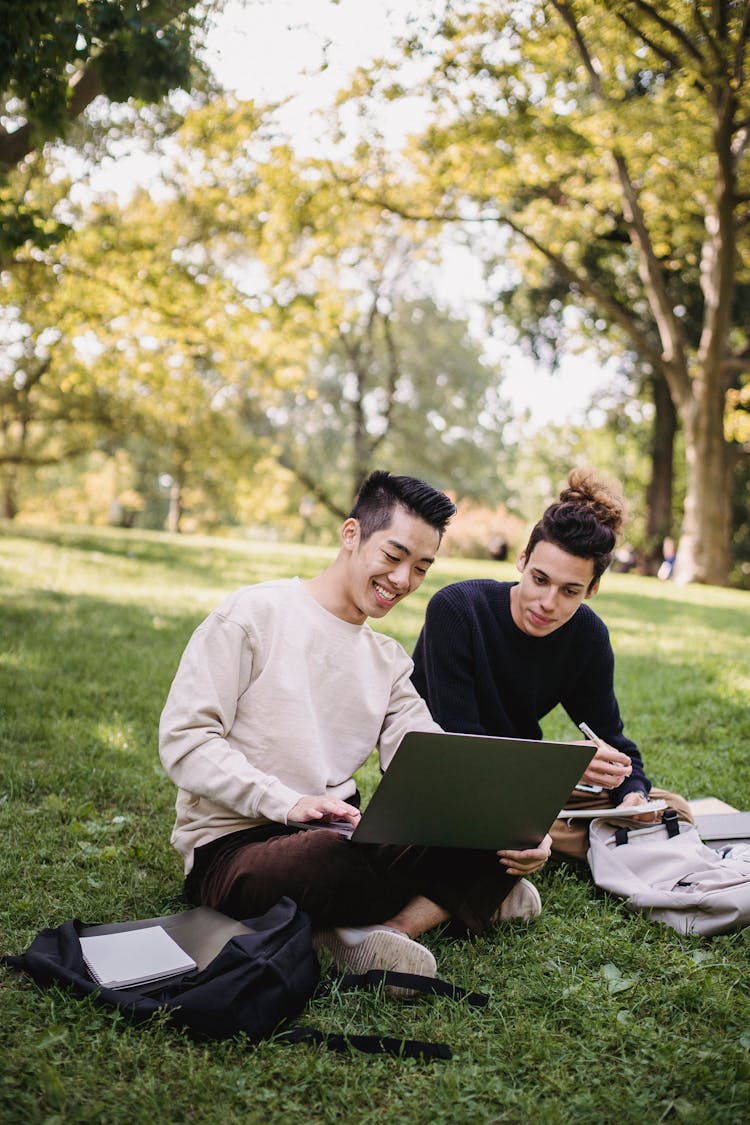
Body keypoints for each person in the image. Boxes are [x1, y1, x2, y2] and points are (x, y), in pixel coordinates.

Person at [159, 470, 549, 986]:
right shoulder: (252, 615)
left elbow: (433, 760)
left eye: (421, 567)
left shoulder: (386, 660)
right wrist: (284, 802)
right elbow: (186, 743)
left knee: (487, 834)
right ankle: (454, 900)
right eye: (393, 556)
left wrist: (517, 826)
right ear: (351, 534)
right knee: (324, 859)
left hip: (341, 831)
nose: (403, 580)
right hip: (236, 846)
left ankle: (387, 932)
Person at [411, 468, 692, 864]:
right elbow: (463, 752)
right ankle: (555, 838)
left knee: (672, 808)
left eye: (570, 591)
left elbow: (612, 742)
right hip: (446, 780)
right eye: (540, 579)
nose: (547, 602)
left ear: (592, 590)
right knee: (480, 820)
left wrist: (631, 794)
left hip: (522, 785)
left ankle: (548, 833)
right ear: (522, 561)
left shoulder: (588, 638)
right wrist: (562, 767)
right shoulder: (457, 610)